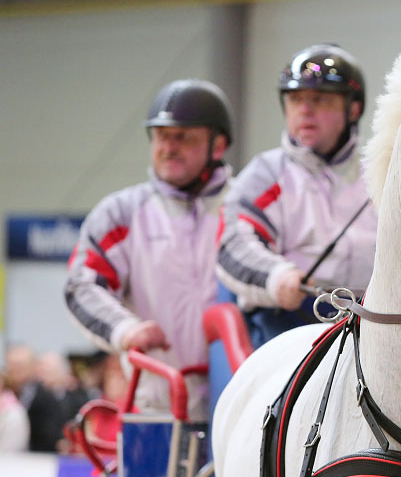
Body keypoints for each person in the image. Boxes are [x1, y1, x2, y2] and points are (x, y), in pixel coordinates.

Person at [64, 79, 234, 421]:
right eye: (160, 136)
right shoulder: (120, 213)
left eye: (183, 136)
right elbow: (81, 287)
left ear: (217, 146)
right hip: (156, 409)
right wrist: (125, 329)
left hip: (243, 409)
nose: (168, 147)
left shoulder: (245, 207)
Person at [217, 44, 377, 346]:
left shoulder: (381, 170)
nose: (304, 110)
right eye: (295, 99)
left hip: (376, 321)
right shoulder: (266, 172)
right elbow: (233, 245)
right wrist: (277, 277)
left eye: (319, 99)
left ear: (353, 109)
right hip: (289, 322)